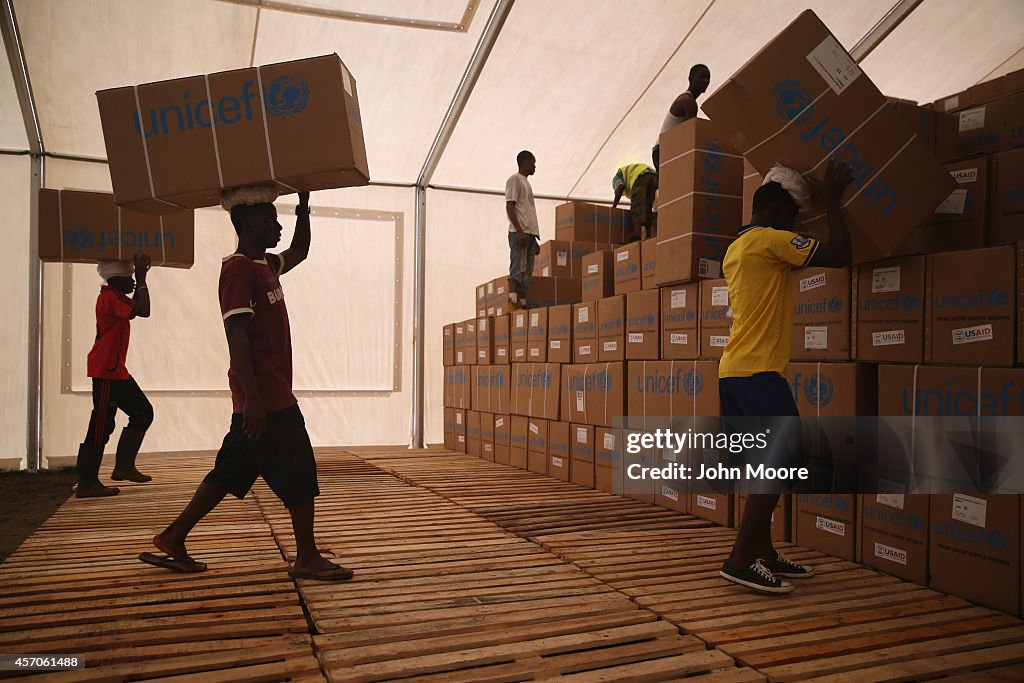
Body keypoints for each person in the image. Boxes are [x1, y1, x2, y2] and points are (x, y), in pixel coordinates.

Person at [140, 188, 352, 581]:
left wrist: (304, 205)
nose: (279, 225)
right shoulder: (238, 269)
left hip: (264, 395)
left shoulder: (266, 264)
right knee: (301, 472)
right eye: (272, 219)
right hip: (266, 397)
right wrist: (253, 400)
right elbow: (235, 334)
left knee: (230, 470)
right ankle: (306, 557)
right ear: (250, 223)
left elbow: (300, 250)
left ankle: (173, 536)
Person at [717, 158, 853, 594]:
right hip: (757, 372)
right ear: (776, 211)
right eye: (794, 216)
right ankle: (739, 559)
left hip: (735, 372)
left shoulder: (737, 248)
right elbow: (840, 255)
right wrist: (832, 201)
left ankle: (763, 553)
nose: (798, 225)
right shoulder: (771, 241)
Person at [75, 253, 154, 498]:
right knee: (100, 426)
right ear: (115, 279)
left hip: (116, 370)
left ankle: (123, 466)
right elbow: (144, 310)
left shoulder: (114, 296)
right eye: (127, 277)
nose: (130, 281)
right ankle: (87, 483)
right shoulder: (112, 297)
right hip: (107, 370)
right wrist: (142, 278)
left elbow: (138, 307)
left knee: (142, 412)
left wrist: (140, 280)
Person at [653, 64, 711, 171]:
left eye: (708, 78)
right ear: (690, 79)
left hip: (664, 150)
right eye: (701, 77)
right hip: (664, 151)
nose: (705, 81)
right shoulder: (689, 102)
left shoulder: (686, 98)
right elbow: (691, 136)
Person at [505, 150, 540, 309]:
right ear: (525, 162)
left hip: (530, 233)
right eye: (533, 162)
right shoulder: (515, 180)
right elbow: (510, 206)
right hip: (520, 232)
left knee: (527, 272)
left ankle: (523, 302)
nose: (534, 166)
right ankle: (512, 300)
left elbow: (528, 211)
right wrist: (519, 230)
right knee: (518, 267)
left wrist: (534, 237)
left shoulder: (527, 183)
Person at [612, 163, 658, 240]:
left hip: (640, 176)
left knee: (636, 208)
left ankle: (637, 236)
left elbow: (620, 187)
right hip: (654, 176)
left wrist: (613, 207)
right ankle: (649, 235)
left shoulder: (617, 177)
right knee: (647, 208)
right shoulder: (630, 178)